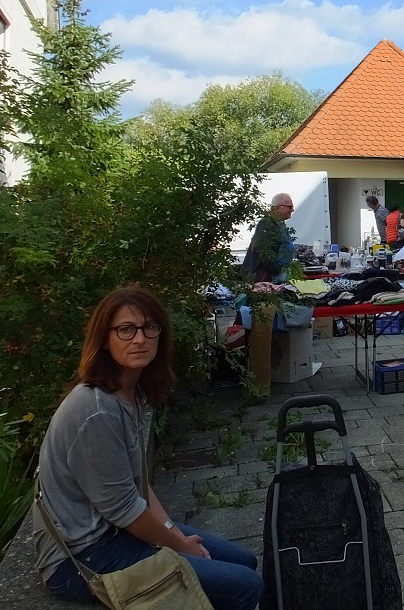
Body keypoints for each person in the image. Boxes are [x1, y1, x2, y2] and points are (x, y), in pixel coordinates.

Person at [33, 286, 264, 609]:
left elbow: (137, 485)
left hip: (116, 532)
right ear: (104, 338)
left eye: (148, 328)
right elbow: (124, 509)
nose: (139, 338)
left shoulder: (134, 393)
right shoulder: (96, 409)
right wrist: (179, 546)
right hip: (82, 557)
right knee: (246, 586)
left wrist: (173, 534)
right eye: (126, 329)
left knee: (244, 559)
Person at [240, 192, 295, 283]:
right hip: (264, 279)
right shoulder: (267, 224)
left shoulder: (278, 223)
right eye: (289, 207)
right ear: (277, 207)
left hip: (274, 277)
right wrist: (277, 269)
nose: (292, 210)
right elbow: (264, 252)